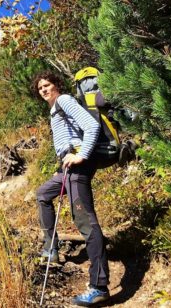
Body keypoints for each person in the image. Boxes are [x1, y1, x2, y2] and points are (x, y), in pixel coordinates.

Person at [31, 70, 110, 306]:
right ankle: (50, 248)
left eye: (47, 85)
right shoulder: (55, 108)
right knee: (43, 194)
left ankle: (99, 286)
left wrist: (81, 156)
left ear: (57, 85)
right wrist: (63, 164)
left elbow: (91, 127)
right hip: (68, 167)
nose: (43, 90)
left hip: (79, 166)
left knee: (86, 222)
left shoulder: (64, 100)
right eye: (40, 88)